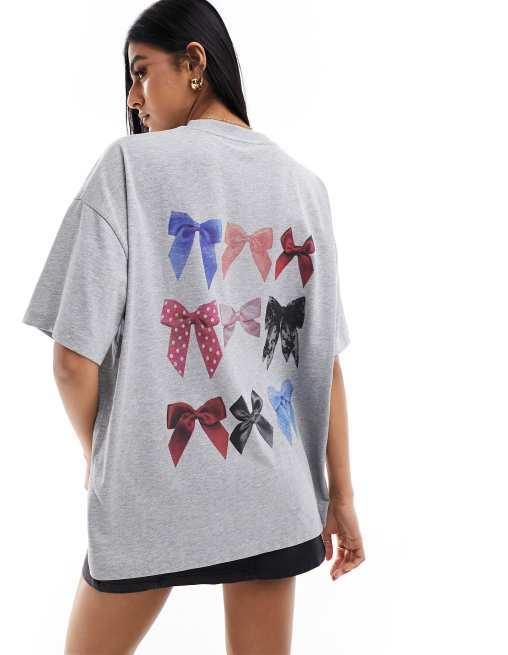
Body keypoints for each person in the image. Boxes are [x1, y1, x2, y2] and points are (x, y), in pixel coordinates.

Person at [21, 0, 365, 652]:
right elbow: (321, 362)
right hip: (275, 496)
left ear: (194, 63)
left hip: (152, 493)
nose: (133, 97)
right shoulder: (305, 187)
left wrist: (102, 455)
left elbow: (70, 361)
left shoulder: (129, 167)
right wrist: (341, 500)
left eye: (140, 71)